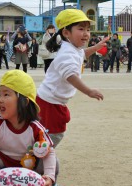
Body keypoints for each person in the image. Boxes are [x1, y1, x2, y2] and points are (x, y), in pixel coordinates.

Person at [0, 70, 68, 186]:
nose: (0, 100)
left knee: (52, 160)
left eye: (6, 94)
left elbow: (49, 151)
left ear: (25, 101)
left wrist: (50, 177)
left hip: (31, 167)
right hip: (4, 169)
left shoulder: (35, 127)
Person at [37, 9, 105, 148]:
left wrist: (95, 48)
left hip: (53, 101)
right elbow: (70, 75)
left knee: (48, 133)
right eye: (81, 29)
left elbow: (82, 55)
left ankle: (39, 156)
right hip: (50, 102)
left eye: (88, 29)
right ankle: (38, 158)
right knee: (53, 134)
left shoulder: (72, 48)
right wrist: (88, 91)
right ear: (66, 33)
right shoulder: (67, 52)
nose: (86, 33)